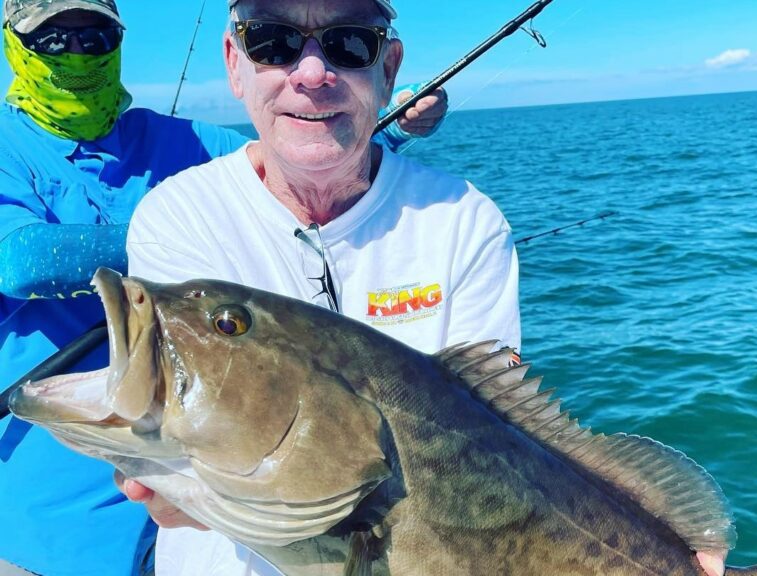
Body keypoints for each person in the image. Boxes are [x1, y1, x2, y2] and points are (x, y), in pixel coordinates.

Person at [0, 0, 448, 574]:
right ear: (15, 44)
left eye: (97, 38)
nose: (79, 53)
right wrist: (168, 231)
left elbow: (293, 159)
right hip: (55, 524)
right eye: (54, 39)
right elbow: (21, 262)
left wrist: (384, 114)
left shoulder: (179, 140)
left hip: (222, 490)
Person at [122, 0, 521, 574]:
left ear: (388, 71)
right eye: (272, 40)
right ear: (235, 64)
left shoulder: (466, 219)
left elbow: (500, 450)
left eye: (350, 43)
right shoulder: (179, 215)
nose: (312, 74)